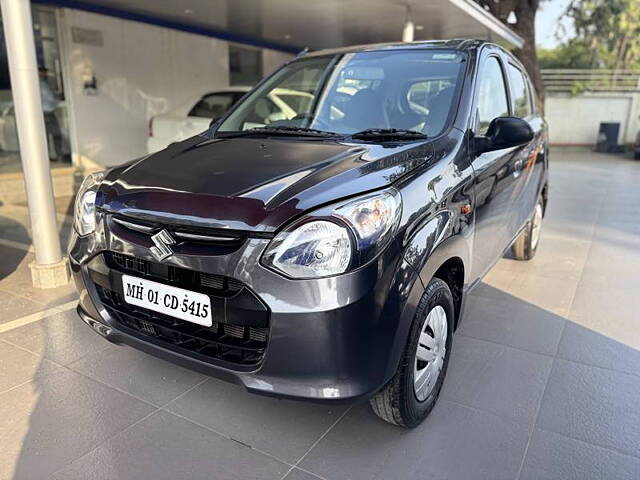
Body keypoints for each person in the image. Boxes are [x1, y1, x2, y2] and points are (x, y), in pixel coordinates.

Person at [39, 66, 63, 161]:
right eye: (43, 73)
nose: (44, 74)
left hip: (49, 112)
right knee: (52, 135)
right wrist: (57, 100)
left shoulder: (45, 83)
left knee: (53, 135)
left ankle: (55, 156)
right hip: (45, 113)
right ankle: (52, 157)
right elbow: (50, 99)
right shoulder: (40, 84)